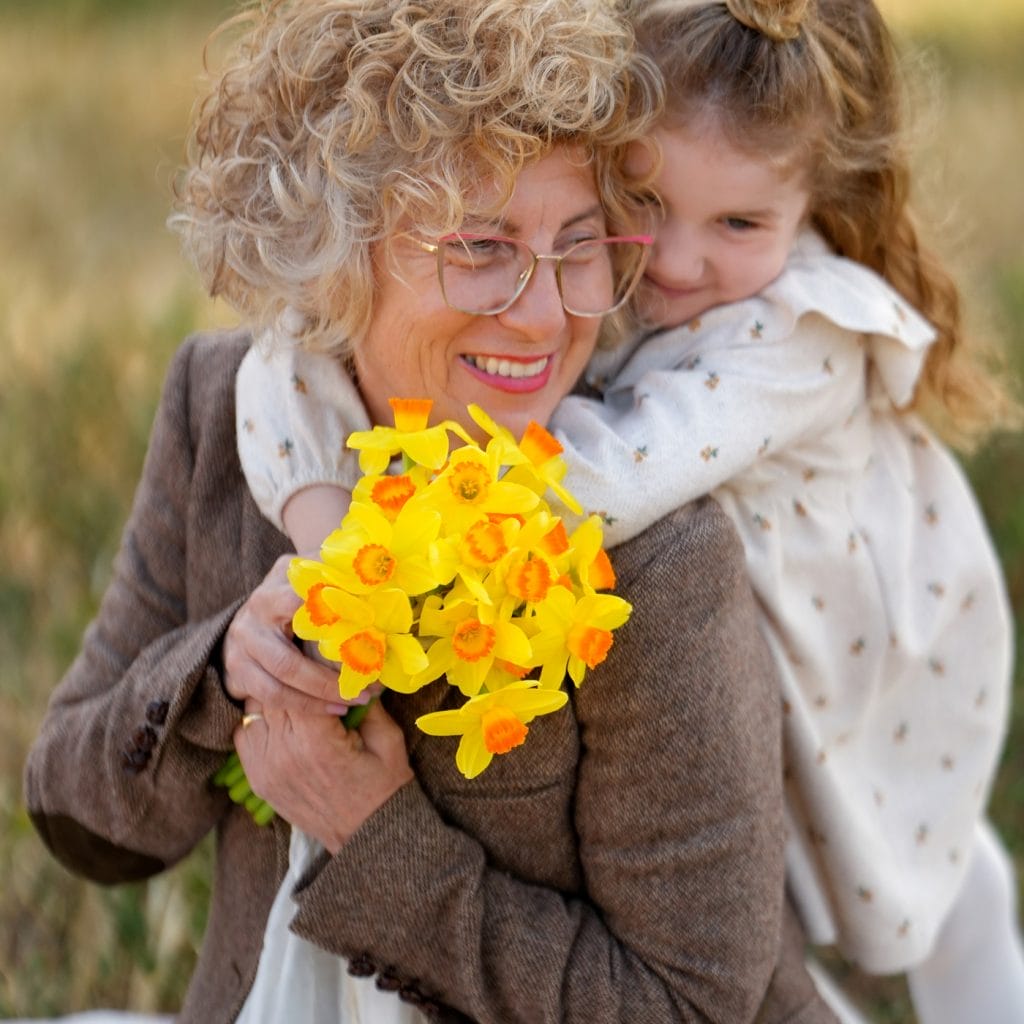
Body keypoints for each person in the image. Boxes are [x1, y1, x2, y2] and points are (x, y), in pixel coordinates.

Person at [23, 1, 839, 1022]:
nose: (543, 316)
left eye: (576, 245)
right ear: (333, 251)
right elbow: (78, 822)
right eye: (482, 246)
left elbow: (689, 1004)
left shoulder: (654, 548)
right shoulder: (222, 409)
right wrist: (222, 671)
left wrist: (378, 837)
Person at [235, 0, 1024, 1020]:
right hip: (744, 656)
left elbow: (622, 469)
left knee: (951, 882)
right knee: (743, 898)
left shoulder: (802, 333)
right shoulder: (597, 271)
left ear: (816, 200)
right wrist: (324, 531)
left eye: (738, 223)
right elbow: (278, 363)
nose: (681, 264)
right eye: (646, 202)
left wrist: (409, 540)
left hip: (874, 658)